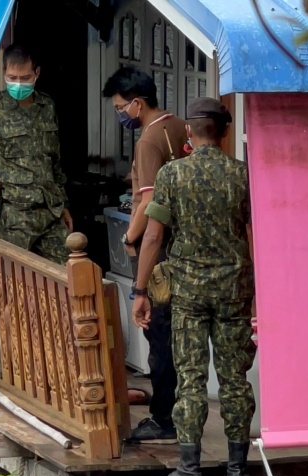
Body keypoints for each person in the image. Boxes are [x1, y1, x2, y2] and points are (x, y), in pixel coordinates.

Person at [131, 96, 255, 476]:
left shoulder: (172, 176)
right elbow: (255, 236)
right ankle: (238, 471)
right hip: (235, 289)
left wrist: (139, 289)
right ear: (224, 132)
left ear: (189, 132)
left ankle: (190, 469)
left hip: (188, 292)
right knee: (235, 380)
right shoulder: (242, 176)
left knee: (191, 378)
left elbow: (153, 235)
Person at [102, 66, 186, 443]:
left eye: (121, 107)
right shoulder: (179, 126)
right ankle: (179, 410)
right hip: (184, 246)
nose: (120, 114)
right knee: (179, 335)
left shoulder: (149, 140)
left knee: (157, 331)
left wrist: (129, 237)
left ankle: (163, 418)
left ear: (137, 104)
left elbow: (149, 201)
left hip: (158, 249)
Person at [0, 44, 72, 264]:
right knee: (13, 281)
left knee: (68, 276)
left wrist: (64, 204)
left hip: (50, 213)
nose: (18, 83)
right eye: (12, 77)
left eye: (25, 77)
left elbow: (54, 162)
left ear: (37, 73)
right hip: (13, 216)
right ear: (4, 74)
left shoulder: (46, 106)